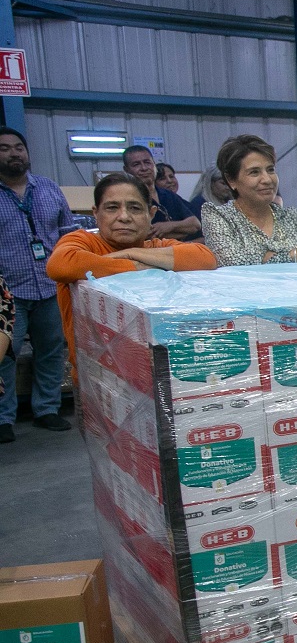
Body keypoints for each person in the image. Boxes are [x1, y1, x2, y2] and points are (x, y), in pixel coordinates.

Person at [47, 174, 218, 385]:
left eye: (135, 208)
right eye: (112, 208)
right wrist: (136, 267)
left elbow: (205, 257)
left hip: (158, 379)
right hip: (95, 378)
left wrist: (131, 253)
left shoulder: (156, 247)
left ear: (151, 214)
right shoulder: (84, 243)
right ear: (96, 213)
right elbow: (61, 265)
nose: (124, 217)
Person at [0, 127, 77, 443]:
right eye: (5, 148)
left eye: (19, 147)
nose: (14, 153)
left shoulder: (48, 188)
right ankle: (3, 418)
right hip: (8, 291)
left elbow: (68, 232)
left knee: (51, 350)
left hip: (50, 286)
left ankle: (46, 409)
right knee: (5, 355)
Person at [201, 134, 297, 266]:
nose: (267, 179)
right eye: (254, 172)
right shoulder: (218, 216)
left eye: (270, 170)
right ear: (231, 180)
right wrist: (294, 255)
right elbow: (230, 260)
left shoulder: (290, 216)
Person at [122, 146, 201, 242]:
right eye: (136, 164)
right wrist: (180, 230)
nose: (144, 168)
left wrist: (168, 226)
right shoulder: (126, 198)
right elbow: (143, 236)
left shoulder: (167, 195)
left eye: (147, 162)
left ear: (154, 165)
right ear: (126, 170)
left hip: (174, 249)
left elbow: (195, 225)